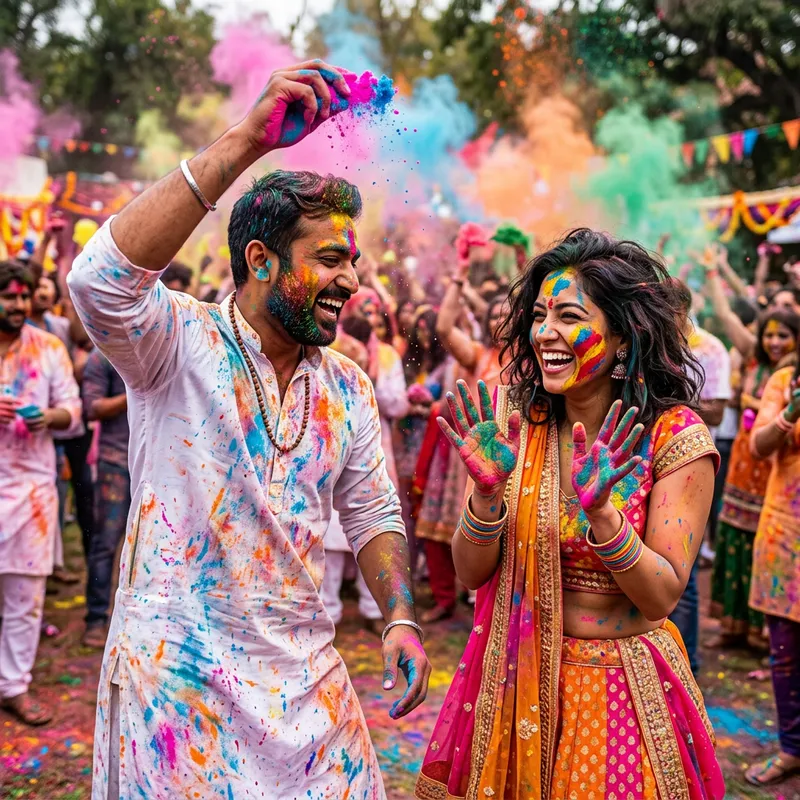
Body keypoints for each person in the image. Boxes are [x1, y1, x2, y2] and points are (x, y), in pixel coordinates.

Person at [67, 60, 431, 799]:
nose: (353, 282)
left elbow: (373, 512)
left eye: (353, 261)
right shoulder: (175, 342)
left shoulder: (349, 385)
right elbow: (97, 282)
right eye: (330, 258)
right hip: (176, 684)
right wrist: (244, 144)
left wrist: (398, 618)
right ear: (260, 262)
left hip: (305, 681)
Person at [416, 229, 724, 799]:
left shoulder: (673, 437)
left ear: (625, 337)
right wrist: (486, 497)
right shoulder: (515, 420)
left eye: (568, 315)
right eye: (539, 315)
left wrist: (605, 517)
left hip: (613, 697)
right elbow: (471, 572)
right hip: (511, 682)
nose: (545, 334)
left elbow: (662, 597)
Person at [0, 260, 82, 725]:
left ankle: (13, 686)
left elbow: (72, 409)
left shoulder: (50, 348)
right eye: (8, 296)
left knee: (26, 596)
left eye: (22, 296)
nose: (17, 305)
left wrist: (48, 418)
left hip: (31, 490)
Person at [708, 310, 799, 651]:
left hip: (773, 482)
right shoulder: (758, 367)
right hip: (746, 465)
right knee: (734, 543)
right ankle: (734, 627)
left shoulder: (789, 372)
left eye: (783, 335)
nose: (774, 342)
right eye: (769, 335)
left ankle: (763, 635)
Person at [667, 279, 731, 671]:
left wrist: (667, 405)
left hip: (700, 453)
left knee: (683, 567)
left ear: (680, 312)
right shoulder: (657, 343)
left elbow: (719, 412)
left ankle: (686, 661)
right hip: (660, 452)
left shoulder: (710, 349)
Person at [745, 356, 800, 787]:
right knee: (785, 652)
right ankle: (791, 748)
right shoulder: (786, 380)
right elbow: (758, 447)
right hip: (786, 536)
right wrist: (791, 412)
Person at [80, 349, 130, 648]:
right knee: (106, 542)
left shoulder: (163, 344)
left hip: (160, 459)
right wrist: (136, 390)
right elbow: (92, 407)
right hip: (115, 460)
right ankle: (96, 619)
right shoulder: (103, 355)